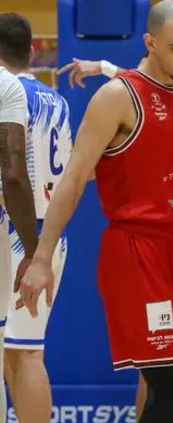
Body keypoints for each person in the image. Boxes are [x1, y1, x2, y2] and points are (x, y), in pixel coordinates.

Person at [19, 2, 173, 422]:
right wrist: (42, 257)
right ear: (150, 42)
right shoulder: (116, 97)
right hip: (137, 252)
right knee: (167, 391)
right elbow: (73, 178)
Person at [0, 13, 72, 423]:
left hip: (19, 232)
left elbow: (12, 176)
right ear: (30, 51)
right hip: (50, 233)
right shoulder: (58, 101)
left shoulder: (6, 94)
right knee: (19, 352)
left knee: (25, 355)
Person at [0, 66, 38, 423]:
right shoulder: (6, 84)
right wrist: (32, 251)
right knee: (25, 354)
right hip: (33, 219)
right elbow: (12, 175)